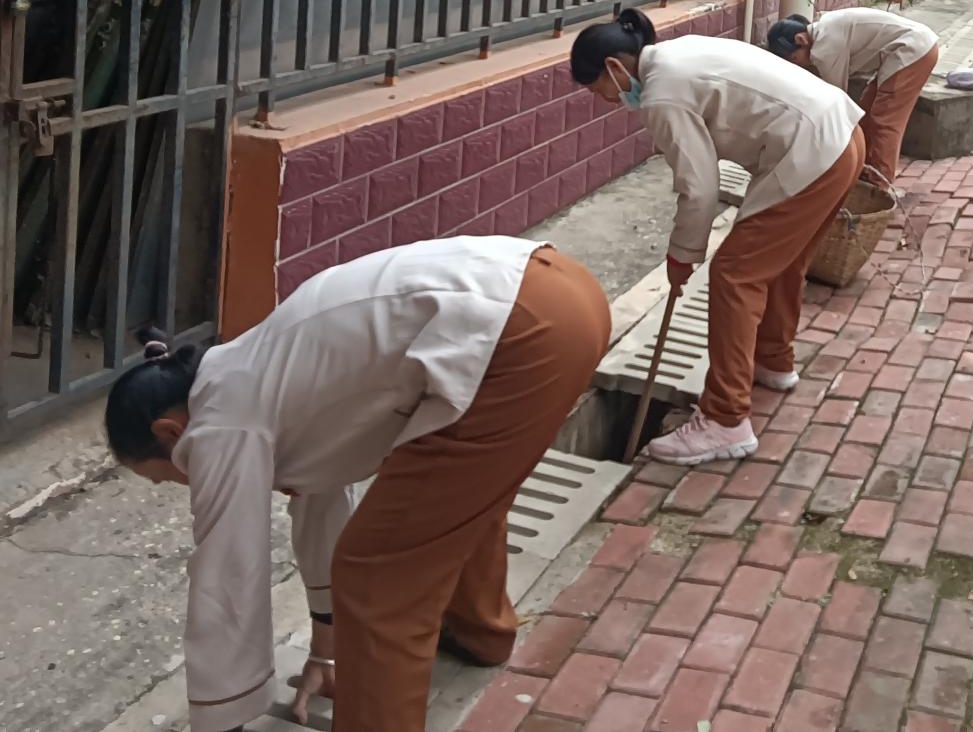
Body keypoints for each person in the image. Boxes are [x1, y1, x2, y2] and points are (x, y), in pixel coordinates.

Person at [104, 235, 610, 732]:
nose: (187, 483)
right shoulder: (250, 368)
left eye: (169, 478)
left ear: (170, 433)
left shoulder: (219, 423)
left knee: (378, 580)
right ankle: (480, 632)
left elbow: (226, 575)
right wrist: (327, 656)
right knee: (450, 501)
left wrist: (220, 719)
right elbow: (321, 505)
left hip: (516, 334)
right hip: (559, 294)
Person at [570, 9, 864, 465]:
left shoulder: (662, 93)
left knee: (733, 276)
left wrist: (682, 255)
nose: (605, 100)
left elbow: (700, 187)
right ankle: (773, 360)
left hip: (812, 152)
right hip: (843, 136)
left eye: (597, 90)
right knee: (780, 262)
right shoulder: (676, 53)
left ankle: (726, 420)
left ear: (614, 67)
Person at [767, 6, 939, 184]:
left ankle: (881, 182)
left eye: (794, 59)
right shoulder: (824, 29)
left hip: (912, 50)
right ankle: (863, 169)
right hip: (910, 48)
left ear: (801, 39)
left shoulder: (825, 48)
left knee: (884, 121)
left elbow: (835, 101)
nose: (799, 66)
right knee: (866, 113)